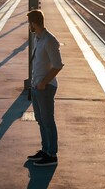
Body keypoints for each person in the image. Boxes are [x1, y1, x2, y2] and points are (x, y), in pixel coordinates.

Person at [26, 9, 64, 166]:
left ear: (34, 23)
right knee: (41, 120)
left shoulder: (49, 40)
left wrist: (43, 83)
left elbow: (57, 66)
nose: (29, 26)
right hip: (37, 86)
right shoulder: (38, 38)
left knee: (48, 120)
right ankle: (45, 150)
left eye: (29, 23)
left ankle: (52, 155)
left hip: (45, 87)